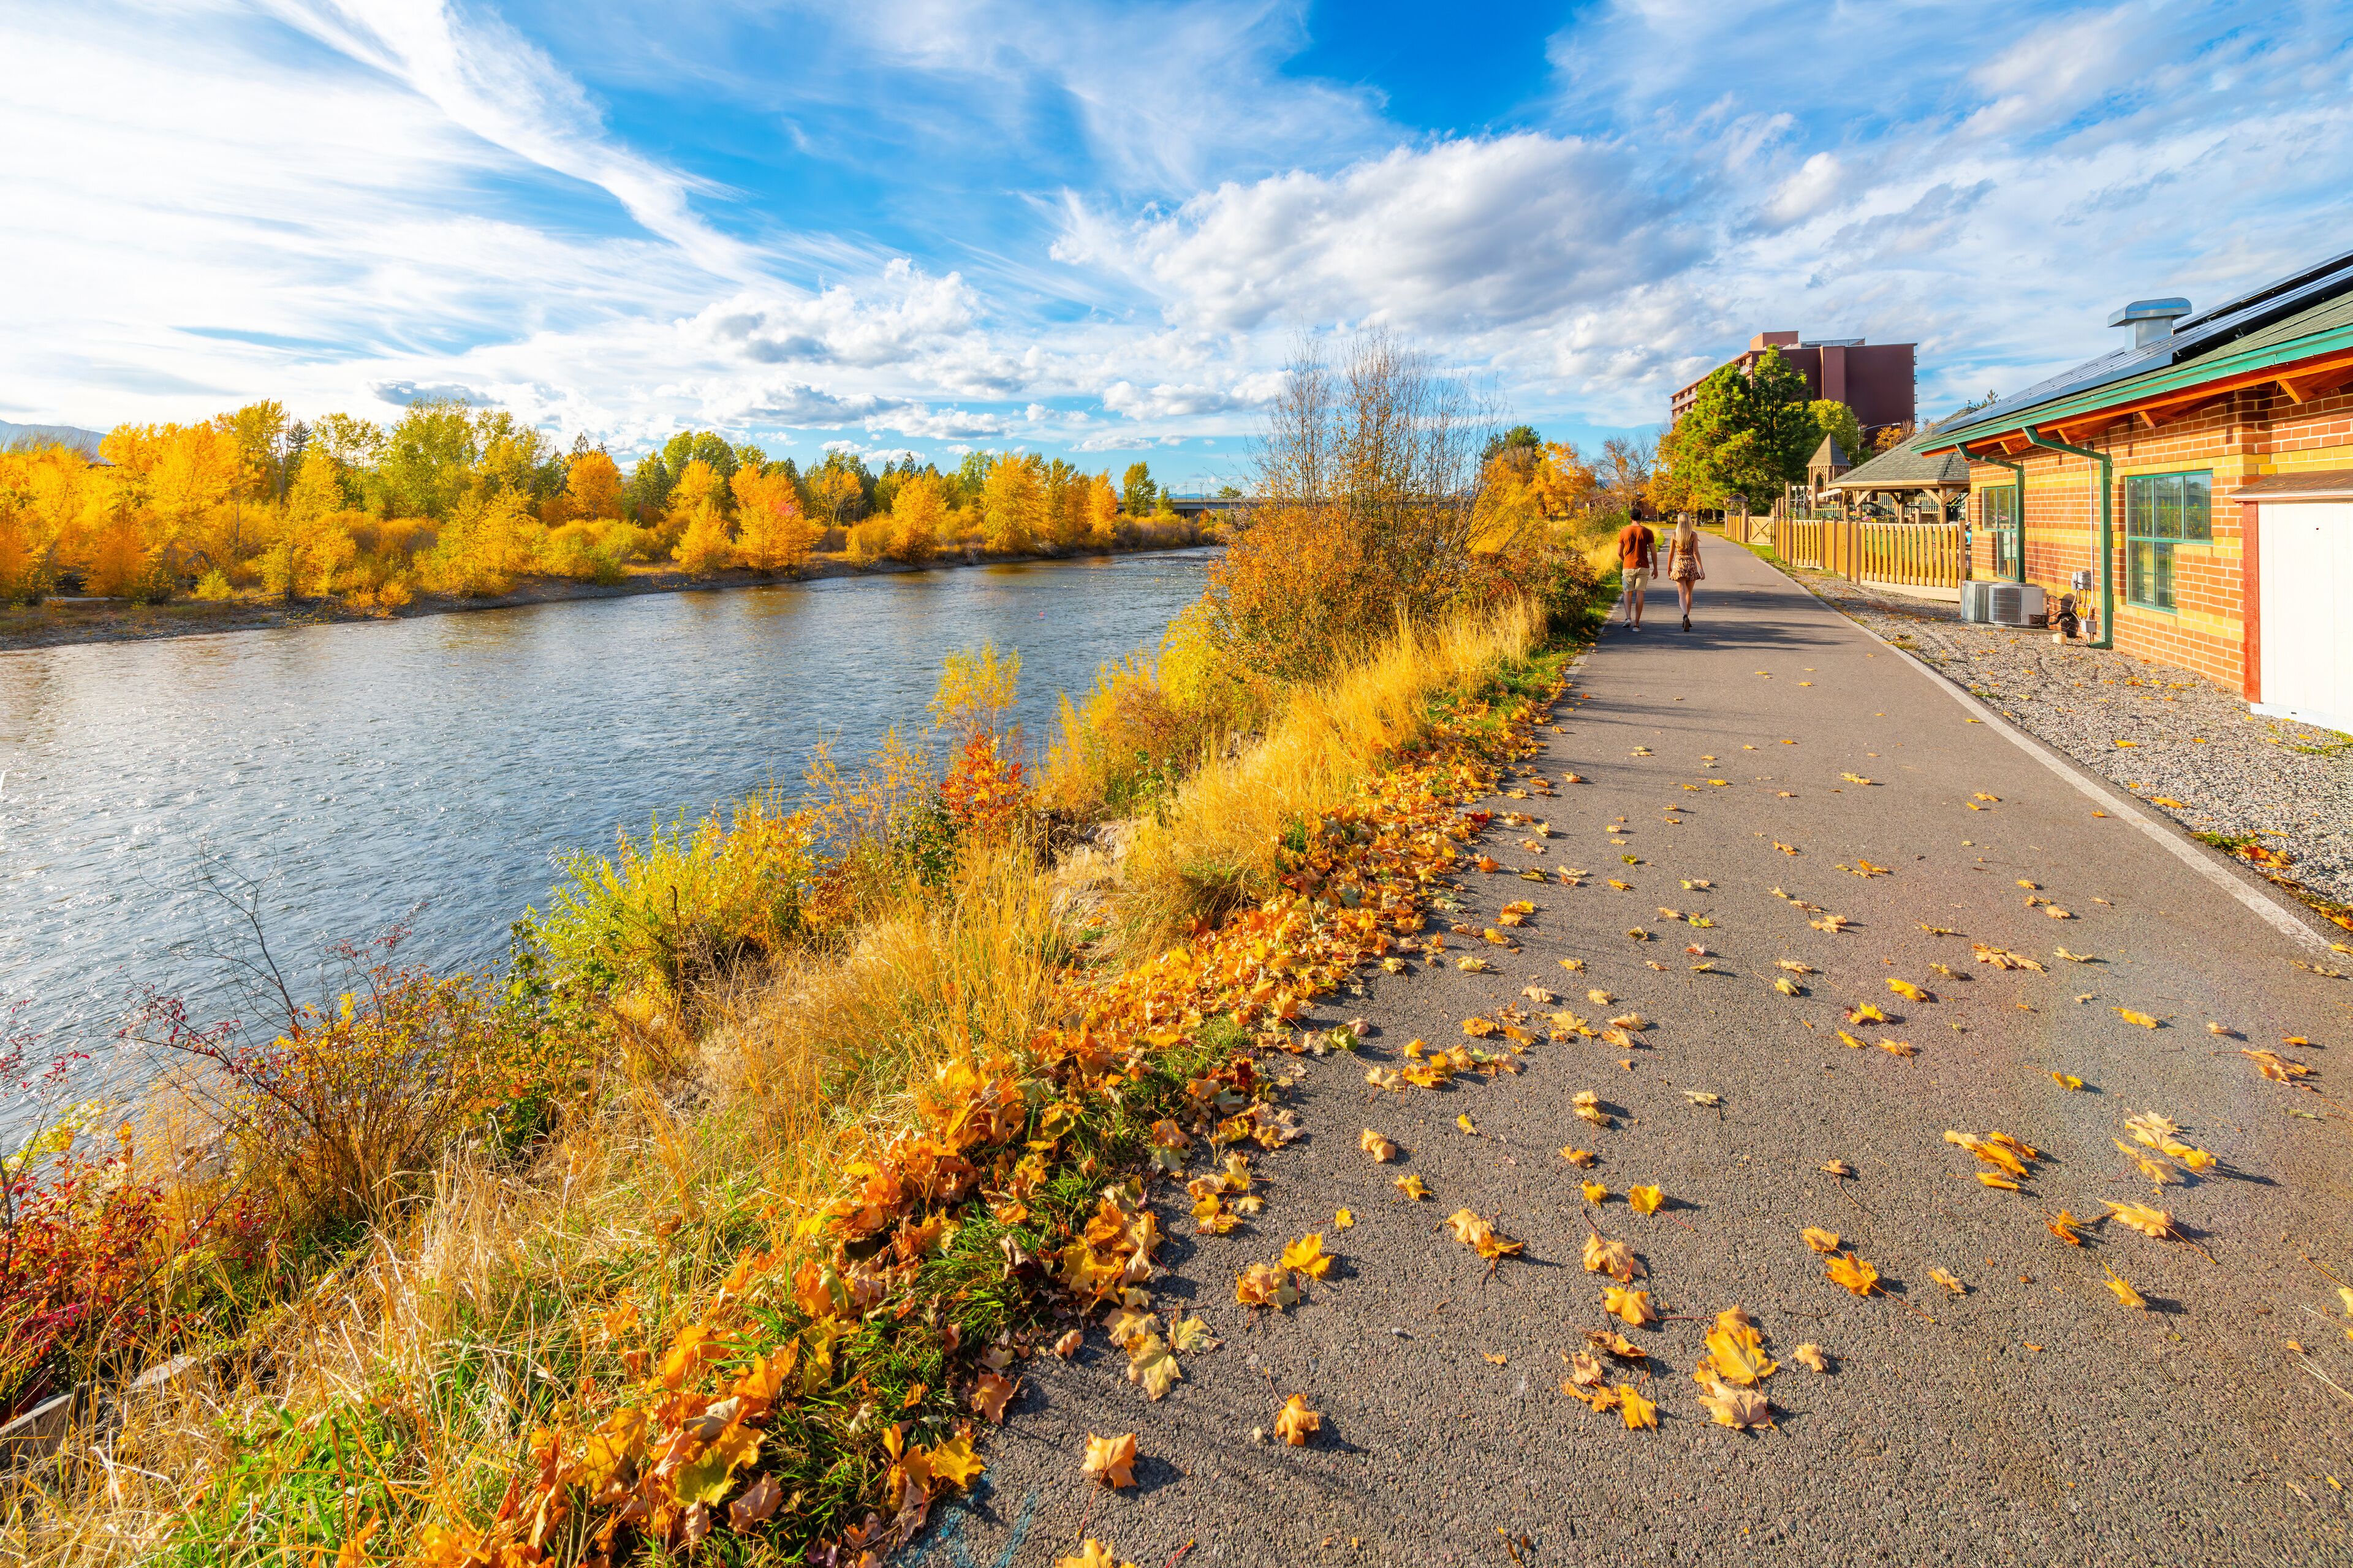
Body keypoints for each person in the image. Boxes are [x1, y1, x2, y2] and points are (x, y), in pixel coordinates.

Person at [1615, 513, 1657, 628]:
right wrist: (1656, 568)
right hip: (1643, 566)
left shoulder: (1624, 531)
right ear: (1641, 517)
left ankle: (1628, 618)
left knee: (1627, 593)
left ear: (1630, 518)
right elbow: (1653, 551)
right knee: (1640, 594)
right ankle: (1637, 623)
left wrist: (1625, 560)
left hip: (1628, 566)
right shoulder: (1647, 532)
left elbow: (1619, 552)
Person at [1666, 515, 1705, 630]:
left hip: (1679, 564)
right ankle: (1687, 617)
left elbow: (1671, 553)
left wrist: (1669, 567)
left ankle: (1684, 616)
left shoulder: (1674, 535)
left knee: (1681, 593)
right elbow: (1696, 553)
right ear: (1689, 522)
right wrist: (1701, 569)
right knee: (1689, 593)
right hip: (1691, 565)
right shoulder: (1693, 535)